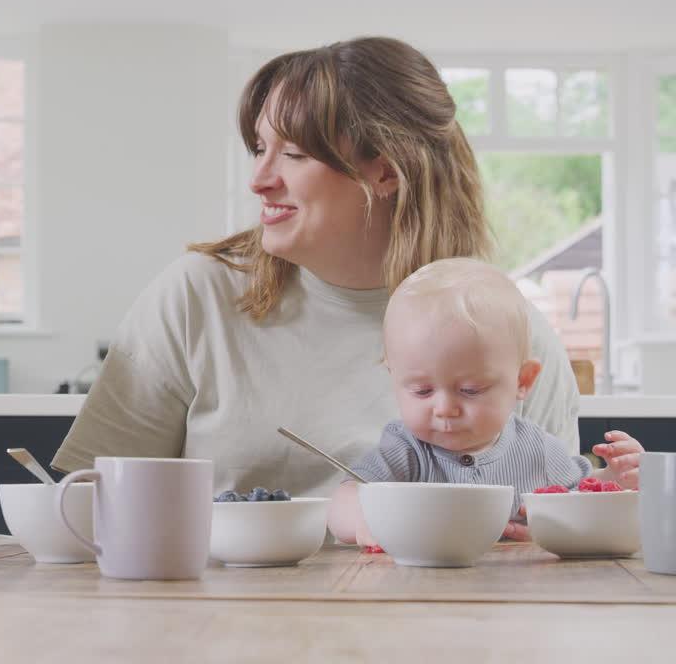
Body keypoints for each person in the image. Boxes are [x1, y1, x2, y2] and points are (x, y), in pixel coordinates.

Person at [51, 37, 580, 514]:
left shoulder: (514, 336)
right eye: (260, 148)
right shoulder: (197, 296)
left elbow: (555, 529)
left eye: (295, 154)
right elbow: (92, 506)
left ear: (387, 171)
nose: (259, 180)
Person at [325, 258, 643, 547]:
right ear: (394, 378)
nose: (444, 409)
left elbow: (582, 496)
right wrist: (363, 523)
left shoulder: (539, 451)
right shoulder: (405, 449)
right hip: (421, 593)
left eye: (471, 390)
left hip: (519, 593)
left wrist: (618, 478)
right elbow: (346, 497)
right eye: (422, 391)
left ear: (523, 381)